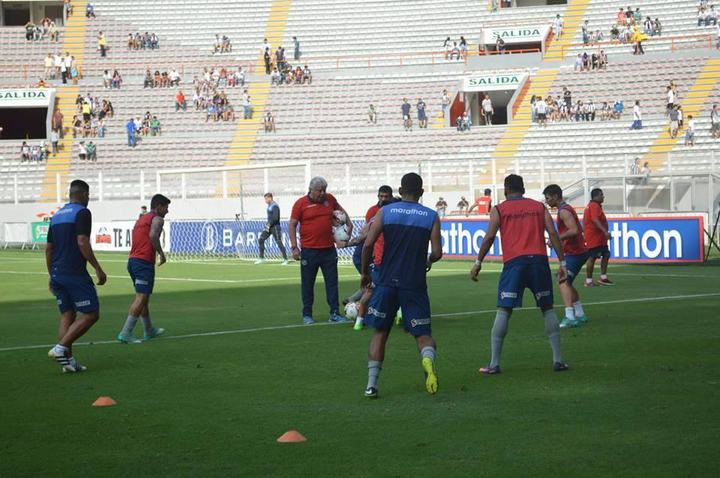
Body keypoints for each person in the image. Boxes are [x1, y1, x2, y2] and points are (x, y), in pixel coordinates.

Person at [470, 174, 569, 375]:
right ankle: (558, 360)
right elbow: (553, 233)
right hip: (539, 262)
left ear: (506, 190)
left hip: (514, 264)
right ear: (523, 189)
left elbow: (489, 237)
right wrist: (562, 263)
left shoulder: (499, 209)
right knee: (547, 308)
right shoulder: (539, 207)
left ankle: (494, 363)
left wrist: (478, 262)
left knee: (504, 309)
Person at [361, 173, 442, 398]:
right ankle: (427, 361)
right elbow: (437, 253)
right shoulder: (431, 216)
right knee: (423, 335)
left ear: (399, 190)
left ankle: (371, 385)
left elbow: (368, 244)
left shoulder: (386, 212)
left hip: (387, 281)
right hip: (414, 284)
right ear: (421, 192)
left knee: (380, 332)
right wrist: (427, 261)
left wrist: (365, 273)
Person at [46, 180, 107, 372]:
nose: (88, 199)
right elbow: (82, 241)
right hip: (74, 273)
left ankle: (67, 362)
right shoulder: (82, 212)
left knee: (68, 314)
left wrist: (51, 274)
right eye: (88, 195)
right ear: (83, 194)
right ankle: (60, 348)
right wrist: (97, 268)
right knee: (91, 314)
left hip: (58, 273)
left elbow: (49, 248)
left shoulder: (56, 215)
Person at [289, 177, 352, 324]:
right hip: (309, 251)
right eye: (320, 190)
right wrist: (294, 247)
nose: (323, 193)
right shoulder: (300, 204)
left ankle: (334, 313)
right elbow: (292, 225)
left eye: (324, 190)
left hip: (329, 250)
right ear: (311, 190)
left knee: (332, 283)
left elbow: (342, 213)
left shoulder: (330, 199)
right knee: (307, 284)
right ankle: (307, 314)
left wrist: (348, 228)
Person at [117, 194, 170, 343]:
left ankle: (149, 330)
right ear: (159, 206)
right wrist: (161, 254)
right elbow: (153, 235)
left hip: (133, 261)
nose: (167, 211)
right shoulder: (157, 219)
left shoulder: (141, 219)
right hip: (143, 262)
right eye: (166, 207)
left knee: (143, 298)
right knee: (141, 298)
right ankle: (126, 332)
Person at [543, 184, 589, 328]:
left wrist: (556, 238)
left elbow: (574, 230)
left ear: (555, 196)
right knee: (566, 281)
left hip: (575, 252)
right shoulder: (565, 209)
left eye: (548, 198)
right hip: (575, 252)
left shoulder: (564, 211)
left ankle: (570, 316)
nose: (546, 201)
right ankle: (579, 313)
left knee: (563, 281)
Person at [584, 188, 613, 286]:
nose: (603, 196)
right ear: (595, 196)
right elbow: (595, 220)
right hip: (594, 237)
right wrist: (605, 231)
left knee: (606, 254)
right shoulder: (594, 206)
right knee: (592, 257)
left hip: (599, 237)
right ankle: (588, 281)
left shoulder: (593, 205)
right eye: (601, 195)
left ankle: (603, 278)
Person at [255, 193, 288, 265]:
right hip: (269, 227)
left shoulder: (275, 206)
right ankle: (262, 258)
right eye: (265, 199)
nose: (265, 200)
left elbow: (276, 218)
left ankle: (285, 259)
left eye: (266, 198)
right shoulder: (269, 206)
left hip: (275, 227)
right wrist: (268, 225)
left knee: (278, 242)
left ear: (270, 198)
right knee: (261, 239)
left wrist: (269, 224)